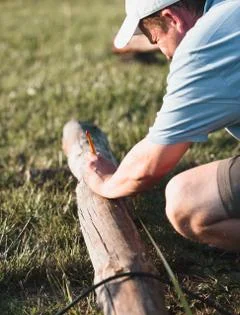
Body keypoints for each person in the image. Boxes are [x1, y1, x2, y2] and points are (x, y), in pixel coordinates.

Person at [83, 0, 240, 252]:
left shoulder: (202, 46)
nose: (165, 54)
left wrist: (105, 181)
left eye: (154, 38)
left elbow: (150, 165)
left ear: (173, 18)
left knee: (187, 200)